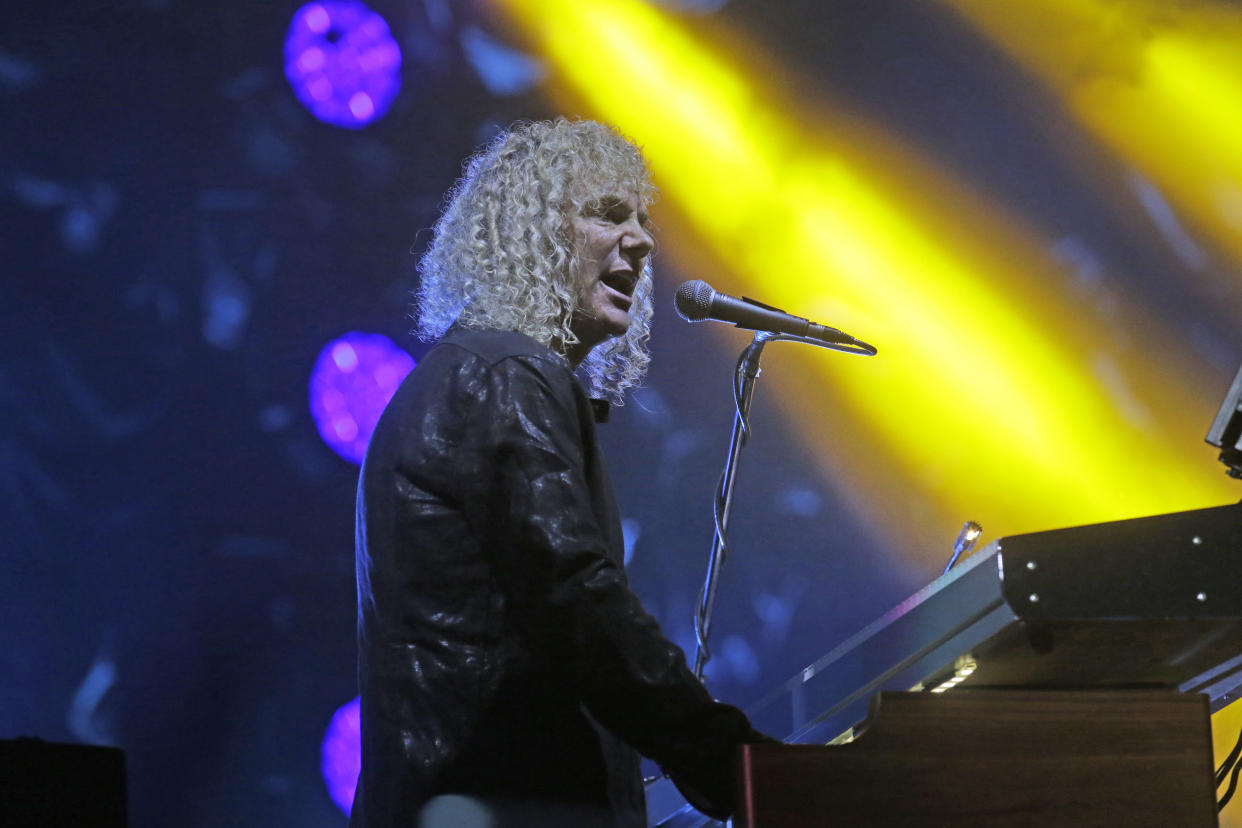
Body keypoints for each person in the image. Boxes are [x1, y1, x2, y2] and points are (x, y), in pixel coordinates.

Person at [352, 118, 766, 828]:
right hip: (504, 802)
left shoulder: (467, 376)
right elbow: (578, 599)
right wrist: (739, 764)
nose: (640, 238)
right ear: (534, 237)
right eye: (608, 215)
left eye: (642, 219)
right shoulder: (505, 374)